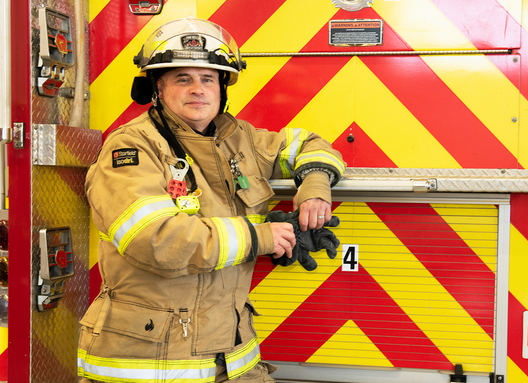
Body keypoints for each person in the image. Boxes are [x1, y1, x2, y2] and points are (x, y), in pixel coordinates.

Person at [77, 18, 345, 383]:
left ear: (222, 88)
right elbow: (156, 240)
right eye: (182, 78)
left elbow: (305, 144)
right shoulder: (132, 148)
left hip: (231, 357)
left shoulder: (238, 139)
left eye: (208, 78)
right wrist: (262, 237)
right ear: (157, 87)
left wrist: (315, 187)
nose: (198, 89)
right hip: (149, 362)